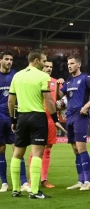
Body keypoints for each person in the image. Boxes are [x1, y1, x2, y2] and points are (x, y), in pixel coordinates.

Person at [8, 49, 66, 199]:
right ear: (36, 60)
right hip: (38, 117)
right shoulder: (42, 76)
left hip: (22, 116)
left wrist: (13, 120)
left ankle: (16, 189)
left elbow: (10, 101)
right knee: (38, 153)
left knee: (17, 153)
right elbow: (48, 100)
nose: (45, 63)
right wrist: (55, 119)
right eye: (43, 60)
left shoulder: (17, 75)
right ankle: (34, 191)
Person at [56, 55, 90, 191]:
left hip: (80, 116)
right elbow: (60, 97)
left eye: (72, 63)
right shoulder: (69, 81)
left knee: (81, 148)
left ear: (79, 64)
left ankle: (88, 181)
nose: (69, 66)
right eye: (68, 64)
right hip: (68, 116)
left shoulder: (86, 78)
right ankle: (80, 180)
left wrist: (87, 106)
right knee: (75, 150)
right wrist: (59, 84)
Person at [28, 60, 62, 188]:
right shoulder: (35, 80)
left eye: (51, 67)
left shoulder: (54, 81)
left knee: (48, 149)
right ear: (41, 67)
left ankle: (43, 179)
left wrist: (59, 86)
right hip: (38, 118)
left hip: (51, 120)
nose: (49, 69)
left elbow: (58, 100)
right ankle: (32, 179)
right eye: (46, 66)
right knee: (36, 149)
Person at [0, 51, 30, 193]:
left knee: (17, 149)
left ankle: (24, 182)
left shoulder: (16, 75)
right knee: (1, 150)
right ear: (1, 60)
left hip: (14, 117)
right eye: (6, 59)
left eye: (11, 59)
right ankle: (4, 183)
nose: (9, 62)